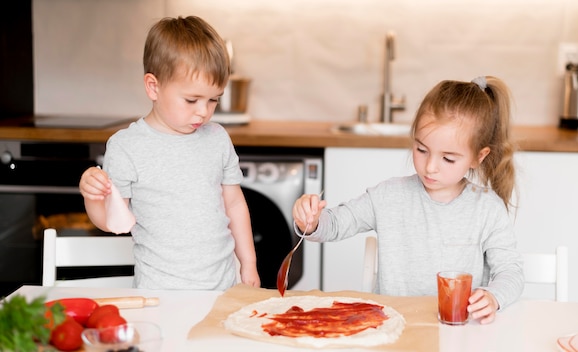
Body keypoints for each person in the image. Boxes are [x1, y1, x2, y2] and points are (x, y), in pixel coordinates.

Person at [292, 76, 524, 324]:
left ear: (479, 157)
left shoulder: (487, 209)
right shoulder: (389, 196)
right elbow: (336, 224)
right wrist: (311, 221)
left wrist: (493, 296)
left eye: (448, 158)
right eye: (421, 150)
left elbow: (510, 272)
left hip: (458, 332)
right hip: (396, 328)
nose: (430, 167)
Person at [79, 16, 261, 290]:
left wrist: (248, 263)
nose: (203, 111)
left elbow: (234, 204)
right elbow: (112, 222)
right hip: (160, 291)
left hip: (222, 287)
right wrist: (93, 196)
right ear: (154, 87)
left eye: (213, 100)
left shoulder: (217, 139)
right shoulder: (127, 147)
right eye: (191, 100)